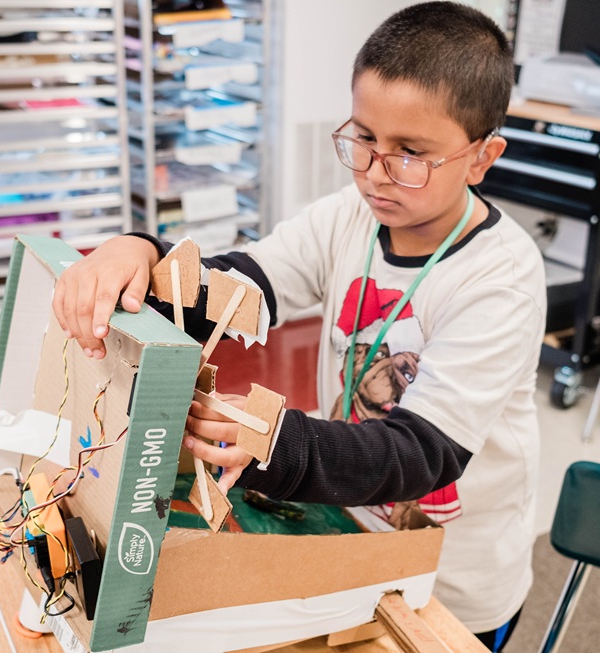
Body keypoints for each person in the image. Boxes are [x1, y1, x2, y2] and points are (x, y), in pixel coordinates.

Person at [52, 3, 545, 650]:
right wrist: (143, 256)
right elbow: (245, 283)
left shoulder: (499, 278)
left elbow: (422, 452)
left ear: (481, 158)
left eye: (410, 154)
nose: (373, 171)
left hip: (453, 581)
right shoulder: (351, 215)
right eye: (363, 138)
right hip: (347, 524)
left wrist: (278, 441)